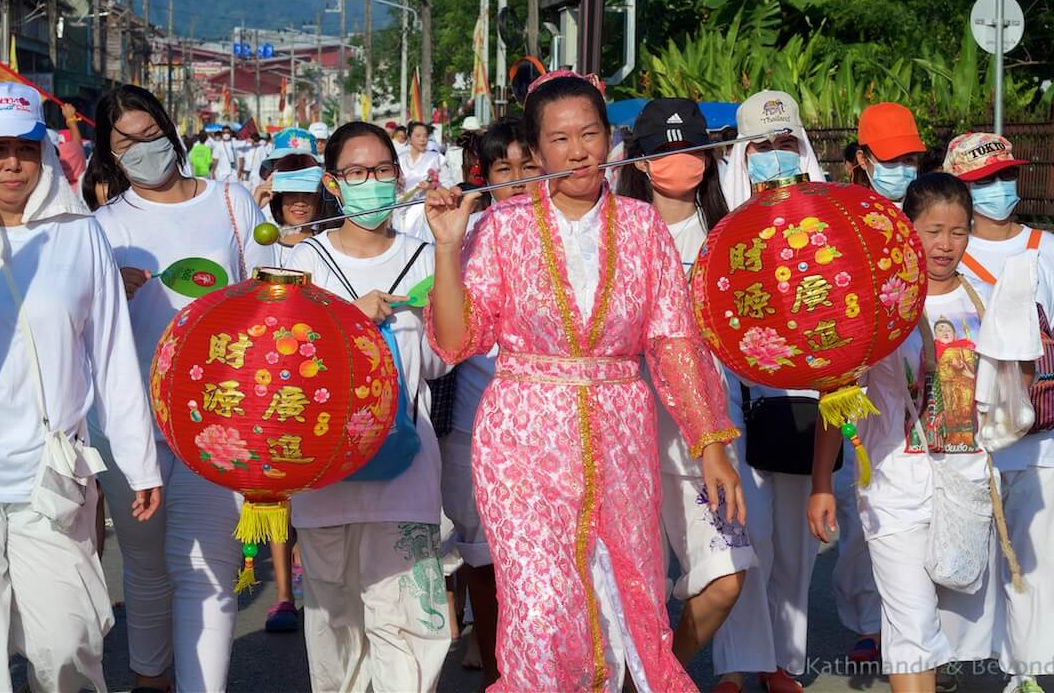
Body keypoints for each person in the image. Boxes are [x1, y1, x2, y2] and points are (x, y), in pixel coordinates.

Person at [424, 70, 742, 692]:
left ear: (610, 139)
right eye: (560, 139)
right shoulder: (501, 228)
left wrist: (711, 443)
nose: (577, 151)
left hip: (621, 433)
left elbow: (674, 341)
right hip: (522, 439)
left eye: (590, 134)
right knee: (542, 609)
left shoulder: (643, 227)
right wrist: (446, 249)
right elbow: (459, 340)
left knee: (630, 593)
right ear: (537, 152)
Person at [87, 85, 274, 693]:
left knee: (209, 568)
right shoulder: (100, 227)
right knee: (144, 565)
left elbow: (268, 297)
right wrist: (107, 286)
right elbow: (76, 322)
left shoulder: (231, 203)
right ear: (110, 156)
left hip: (216, 414)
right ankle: (150, 677)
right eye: (128, 143)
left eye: (151, 134)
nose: (145, 149)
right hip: (129, 419)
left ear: (171, 130)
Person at [0, 81, 162, 693]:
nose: (12, 163)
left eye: (25, 148)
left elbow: (113, 354)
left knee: (67, 646)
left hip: (51, 473)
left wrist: (141, 462)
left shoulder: (78, 233)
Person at [809, 172, 1004, 693]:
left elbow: (1009, 397)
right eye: (932, 230)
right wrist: (821, 484)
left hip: (963, 488)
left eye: (959, 231)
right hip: (893, 490)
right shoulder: (876, 305)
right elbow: (839, 398)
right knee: (912, 624)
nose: (946, 244)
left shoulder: (989, 302)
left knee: (943, 629)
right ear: (905, 230)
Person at [715, 90, 881, 692]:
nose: (776, 157)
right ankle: (735, 665)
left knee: (794, 549)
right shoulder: (720, 222)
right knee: (740, 541)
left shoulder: (830, 222)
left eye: (787, 144)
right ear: (742, 152)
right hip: (732, 402)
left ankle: (784, 661)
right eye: (763, 146)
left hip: (805, 405)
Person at [284, 121, 451, 693]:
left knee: (409, 622)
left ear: (398, 175)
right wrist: (347, 320)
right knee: (335, 622)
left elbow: (441, 361)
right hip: (323, 472)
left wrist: (449, 250)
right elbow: (283, 369)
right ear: (334, 183)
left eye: (382, 170)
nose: (371, 183)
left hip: (405, 465)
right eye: (357, 173)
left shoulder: (426, 258)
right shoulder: (302, 264)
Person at [615, 98, 753, 672]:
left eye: (693, 149)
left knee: (726, 577)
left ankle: (656, 677)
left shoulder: (732, 233)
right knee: (628, 596)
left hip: (707, 435)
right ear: (641, 161)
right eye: (668, 151)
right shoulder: (613, 230)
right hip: (624, 434)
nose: (683, 162)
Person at [943, 132, 1054, 693]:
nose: (1000, 188)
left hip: (1042, 430)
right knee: (971, 548)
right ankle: (960, 659)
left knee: (1037, 555)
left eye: (1006, 175)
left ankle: (1033, 672)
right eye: (983, 181)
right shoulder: (947, 252)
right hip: (965, 432)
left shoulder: (1046, 248)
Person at [438, 117, 542, 689]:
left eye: (530, 167)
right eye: (506, 169)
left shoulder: (570, 236)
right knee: (482, 554)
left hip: (547, 426)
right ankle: (496, 656)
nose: (520, 180)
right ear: (486, 177)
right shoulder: (466, 235)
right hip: (475, 425)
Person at [855, 103, 925, 208]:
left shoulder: (929, 211)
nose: (900, 169)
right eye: (890, 160)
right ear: (863, 160)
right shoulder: (849, 213)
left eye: (909, 160)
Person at [397, 121, 453, 240]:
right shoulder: (400, 159)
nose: (422, 139)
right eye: (418, 136)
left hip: (425, 208)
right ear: (409, 138)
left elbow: (448, 183)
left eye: (425, 136)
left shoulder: (436, 158)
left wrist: (432, 187)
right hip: (401, 208)